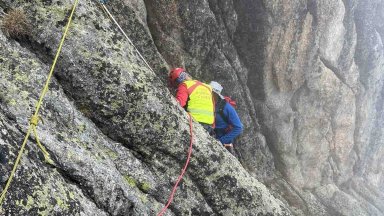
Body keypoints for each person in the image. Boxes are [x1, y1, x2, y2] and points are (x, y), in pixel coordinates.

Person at [169, 68, 215, 132]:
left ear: (178, 81)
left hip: (195, 121)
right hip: (209, 123)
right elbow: (213, 106)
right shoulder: (207, 87)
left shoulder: (185, 85)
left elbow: (179, 103)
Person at [210, 81, 243, 153]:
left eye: (211, 92)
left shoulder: (226, 107)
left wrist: (222, 140)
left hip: (224, 138)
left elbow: (239, 127)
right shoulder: (207, 102)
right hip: (212, 133)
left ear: (216, 94)